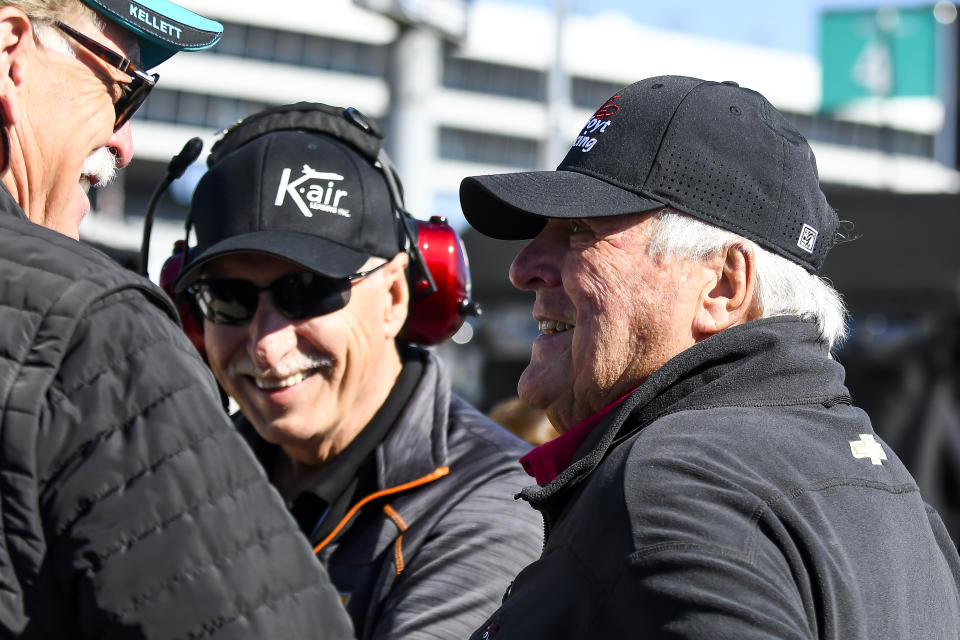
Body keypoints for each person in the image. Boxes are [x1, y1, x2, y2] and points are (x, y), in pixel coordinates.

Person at [458, 75, 960, 639]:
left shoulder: (674, 484)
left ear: (724, 285)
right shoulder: (890, 487)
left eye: (579, 231)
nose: (523, 268)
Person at [0, 1, 353, 638]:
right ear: (8, 51)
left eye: (306, 292)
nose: (124, 141)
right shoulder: (90, 328)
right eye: (124, 87)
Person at [171, 102, 542, 640]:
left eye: (308, 292)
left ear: (395, 295)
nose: (266, 346)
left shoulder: (494, 506)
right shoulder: (185, 473)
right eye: (228, 298)